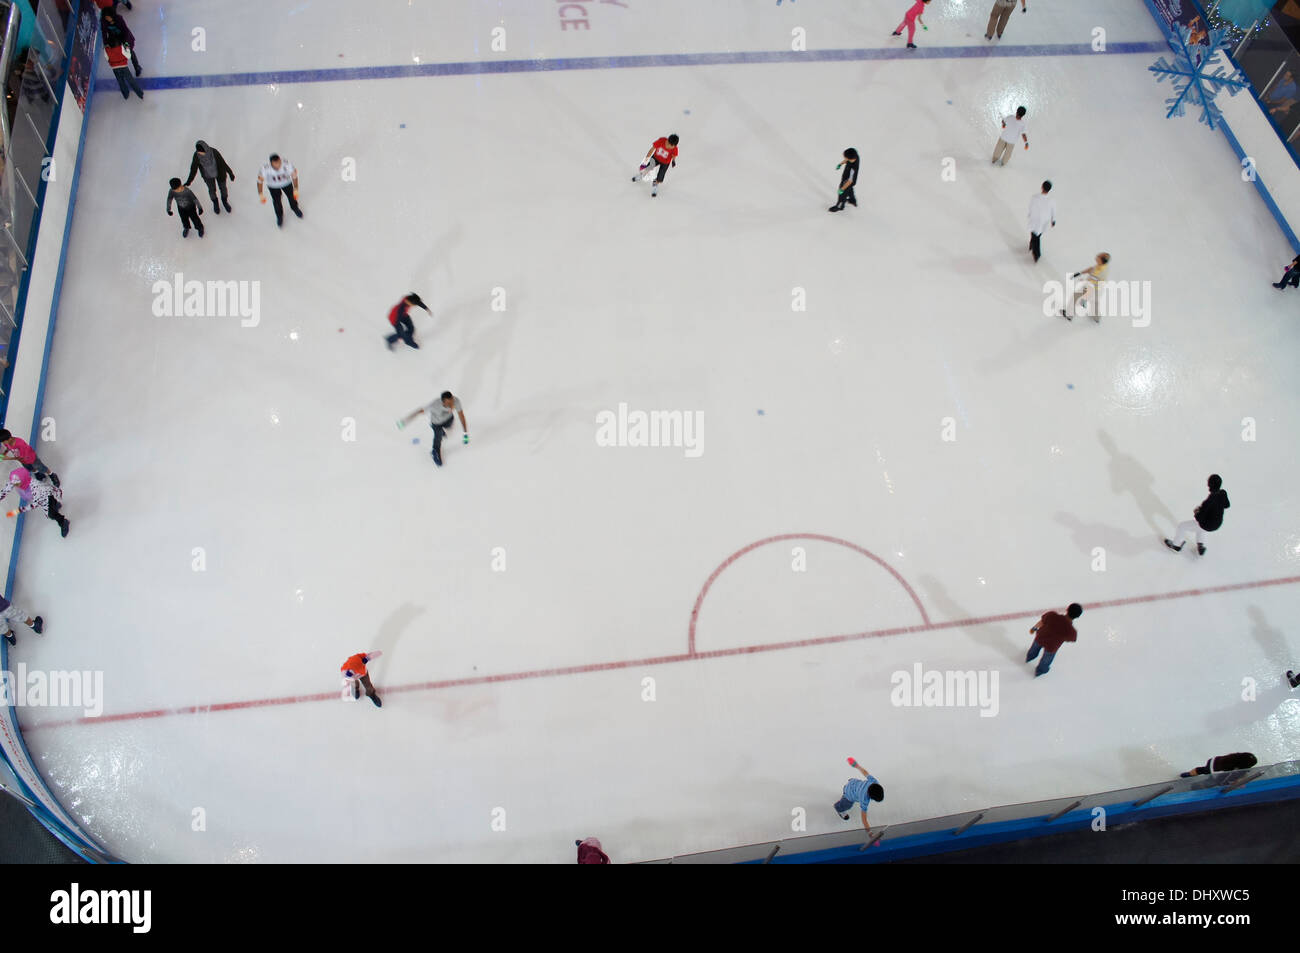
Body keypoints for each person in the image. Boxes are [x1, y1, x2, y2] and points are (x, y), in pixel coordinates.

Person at [397, 391, 469, 467]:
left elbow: (461, 416)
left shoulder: (456, 401)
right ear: (443, 402)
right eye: (449, 403)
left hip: (448, 419)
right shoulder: (434, 405)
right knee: (438, 437)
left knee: (449, 426)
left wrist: (465, 433)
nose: (452, 405)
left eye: (452, 402)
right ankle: (435, 451)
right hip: (436, 423)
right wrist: (405, 421)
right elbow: (419, 411)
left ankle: (442, 431)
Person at [1164, 474, 1230, 557]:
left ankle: (1176, 545)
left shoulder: (1209, 501)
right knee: (1201, 528)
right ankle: (1200, 546)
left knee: (1182, 526)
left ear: (1210, 485)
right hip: (1217, 524)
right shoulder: (1223, 493)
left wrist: (1197, 511)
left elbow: (1199, 518)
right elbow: (1227, 505)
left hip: (1208, 524)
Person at [0, 470, 69, 537]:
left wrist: (19, 510)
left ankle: (63, 522)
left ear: (23, 480)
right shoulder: (16, 482)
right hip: (42, 495)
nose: (15, 485)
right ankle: (55, 505)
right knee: (51, 502)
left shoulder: (36, 488)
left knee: (51, 514)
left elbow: (34, 505)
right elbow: (6, 489)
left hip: (44, 496)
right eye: (14, 483)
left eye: (17, 483)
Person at [1026, 603, 1082, 677]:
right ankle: (1040, 670)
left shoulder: (1051, 615)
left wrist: (1034, 628)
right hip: (1052, 647)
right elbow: (1071, 639)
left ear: (1067, 609)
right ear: (1077, 617)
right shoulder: (1071, 631)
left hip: (1040, 638)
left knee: (1034, 649)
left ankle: (1030, 657)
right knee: (1046, 660)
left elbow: (1041, 622)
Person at [184, 141, 235, 215]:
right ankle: (215, 203)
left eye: (202, 152)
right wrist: (189, 181)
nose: (201, 154)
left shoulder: (214, 152)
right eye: (199, 152)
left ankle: (224, 201)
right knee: (212, 190)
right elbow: (193, 169)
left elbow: (222, 162)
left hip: (220, 173)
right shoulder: (196, 156)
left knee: (223, 188)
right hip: (208, 176)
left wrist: (230, 173)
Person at [834, 758, 884, 833]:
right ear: (870, 797)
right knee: (848, 805)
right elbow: (864, 819)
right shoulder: (864, 799)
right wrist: (869, 833)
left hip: (853, 782)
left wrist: (856, 765)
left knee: (854, 790)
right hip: (848, 793)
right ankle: (838, 808)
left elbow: (865, 772)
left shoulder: (874, 782)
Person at [1061, 252, 1111, 321]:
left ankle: (1069, 314)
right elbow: (1091, 269)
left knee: (1075, 298)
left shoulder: (1099, 271)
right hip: (1099, 289)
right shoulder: (1102, 265)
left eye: (1098, 256)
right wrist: (1080, 273)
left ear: (1101, 260)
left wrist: (1084, 298)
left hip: (1092, 288)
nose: (1096, 256)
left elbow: (1092, 282)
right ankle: (1096, 317)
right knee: (1094, 302)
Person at [257, 154, 303, 227]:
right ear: (271, 163)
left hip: (286, 183)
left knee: (291, 197)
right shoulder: (265, 169)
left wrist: (296, 188)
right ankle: (279, 215)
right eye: (276, 163)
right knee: (276, 201)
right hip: (273, 186)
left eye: (279, 162)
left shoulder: (286, 164)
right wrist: (260, 194)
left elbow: (294, 176)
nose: (278, 165)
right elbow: (260, 181)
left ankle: (295, 208)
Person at [100, 8, 140, 76]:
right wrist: (106, 44)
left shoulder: (119, 18)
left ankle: (137, 67)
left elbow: (125, 30)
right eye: (106, 18)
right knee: (117, 54)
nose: (107, 19)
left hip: (124, 37)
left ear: (112, 15)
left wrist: (126, 42)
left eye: (108, 17)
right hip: (114, 38)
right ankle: (122, 71)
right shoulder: (104, 22)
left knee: (130, 51)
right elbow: (104, 33)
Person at [1027, 180, 1056, 263]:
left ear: (1042, 187)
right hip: (1044, 220)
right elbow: (1053, 210)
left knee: (1034, 234)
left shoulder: (1035, 197)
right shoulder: (1051, 200)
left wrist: (1030, 214)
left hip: (1035, 219)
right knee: (1037, 234)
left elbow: (1031, 207)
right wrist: (1053, 220)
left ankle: (1036, 253)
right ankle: (1033, 246)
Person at [828, 148, 859, 212]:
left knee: (842, 194)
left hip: (847, 181)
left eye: (845, 157)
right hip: (849, 180)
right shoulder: (856, 156)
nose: (844, 158)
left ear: (850, 158)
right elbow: (846, 160)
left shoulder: (853, 169)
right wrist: (840, 164)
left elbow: (850, 181)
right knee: (850, 189)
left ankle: (840, 206)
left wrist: (842, 189)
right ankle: (852, 200)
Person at [1180, 752, 1257, 778]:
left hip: (1213, 761)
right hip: (1214, 770)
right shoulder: (1238, 767)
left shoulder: (1234, 757)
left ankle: (1188, 774)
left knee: (1202, 769)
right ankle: (1196, 785)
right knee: (1211, 780)